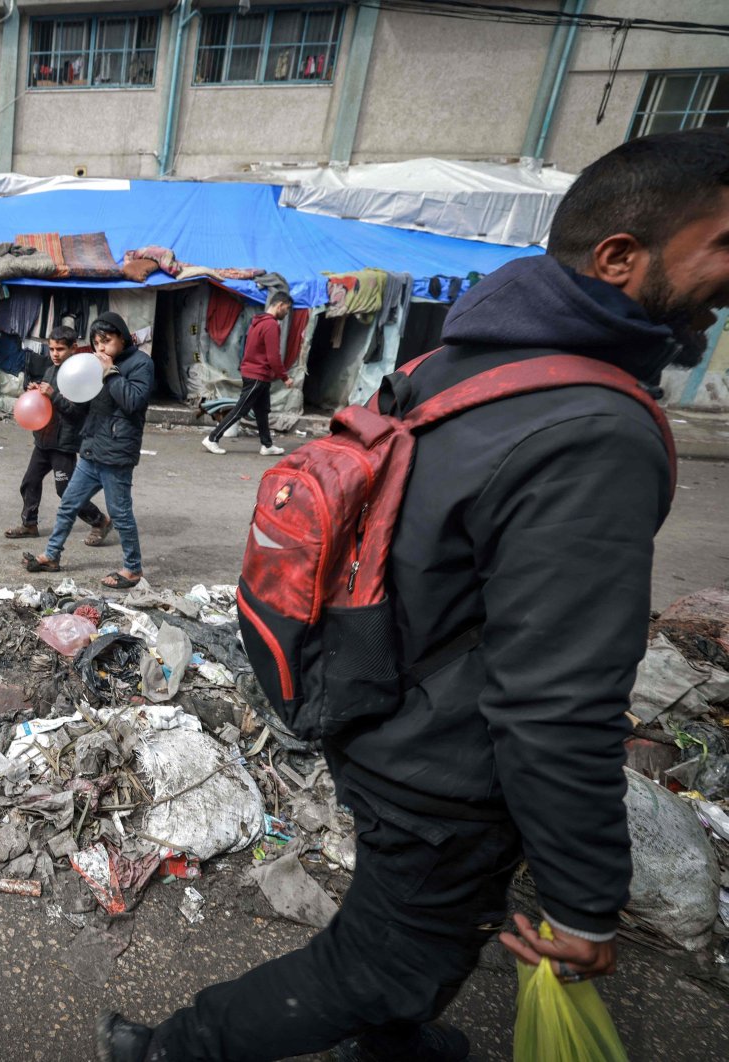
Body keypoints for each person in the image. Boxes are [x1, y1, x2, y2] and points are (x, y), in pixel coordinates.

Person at [98, 127, 729, 1062]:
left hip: (370, 697)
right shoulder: (591, 428)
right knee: (384, 963)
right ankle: (166, 1052)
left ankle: (391, 1046)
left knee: (415, 943)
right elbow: (557, 697)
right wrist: (585, 901)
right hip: (441, 765)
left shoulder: (462, 362)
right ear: (621, 258)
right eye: (723, 246)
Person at [20, 312, 150, 588]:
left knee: (121, 513)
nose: (101, 348)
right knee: (68, 504)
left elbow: (133, 402)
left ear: (122, 338)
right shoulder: (92, 364)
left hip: (116, 454)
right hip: (91, 448)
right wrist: (51, 394)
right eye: (96, 342)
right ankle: (52, 556)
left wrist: (110, 372)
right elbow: (80, 406)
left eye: (107, 341)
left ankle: (133, 568)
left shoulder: (140, 364)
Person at [5, 325, 109, 543]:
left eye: (60, 349)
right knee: (30, 481)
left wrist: (52, 395)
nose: (55, 354)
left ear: (74, 348)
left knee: (66, 491)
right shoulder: (51, 370)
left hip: (64, 443)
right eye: (52, 349)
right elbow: (46, 402)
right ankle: (29, 524)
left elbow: (77, 413)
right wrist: (37, 391)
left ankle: (99, 521)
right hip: (44, 438)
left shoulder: (80, 375)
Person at [203, 292, 293, 456]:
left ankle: (267, 445)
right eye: (286, 309)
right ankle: (212, 438)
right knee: (240, 410)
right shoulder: (271, 325)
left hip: (257, 373)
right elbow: (273, 356)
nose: (286, 314)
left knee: (262, 411)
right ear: (279, 305)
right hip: (257, 374)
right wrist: (285, 377)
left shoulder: (257, 322)